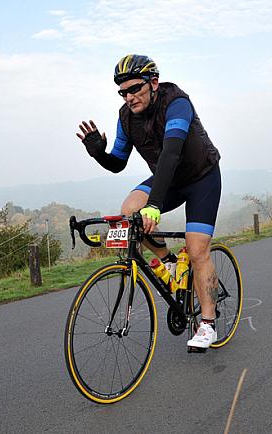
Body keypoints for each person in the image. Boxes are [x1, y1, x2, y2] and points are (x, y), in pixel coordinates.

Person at [76, 54, 222, 350]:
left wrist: (154, 205)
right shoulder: (126, 117)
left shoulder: (177, 103)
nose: (129, 97)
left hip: (201, 178)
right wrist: (99, 154)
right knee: (129, 210)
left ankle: (207, 324)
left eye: (135, 89)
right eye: (123, 92)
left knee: (197, 250)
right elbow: (117, 163)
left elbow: (171, 153)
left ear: (153, 83)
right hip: (168, 181)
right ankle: (169, 262)